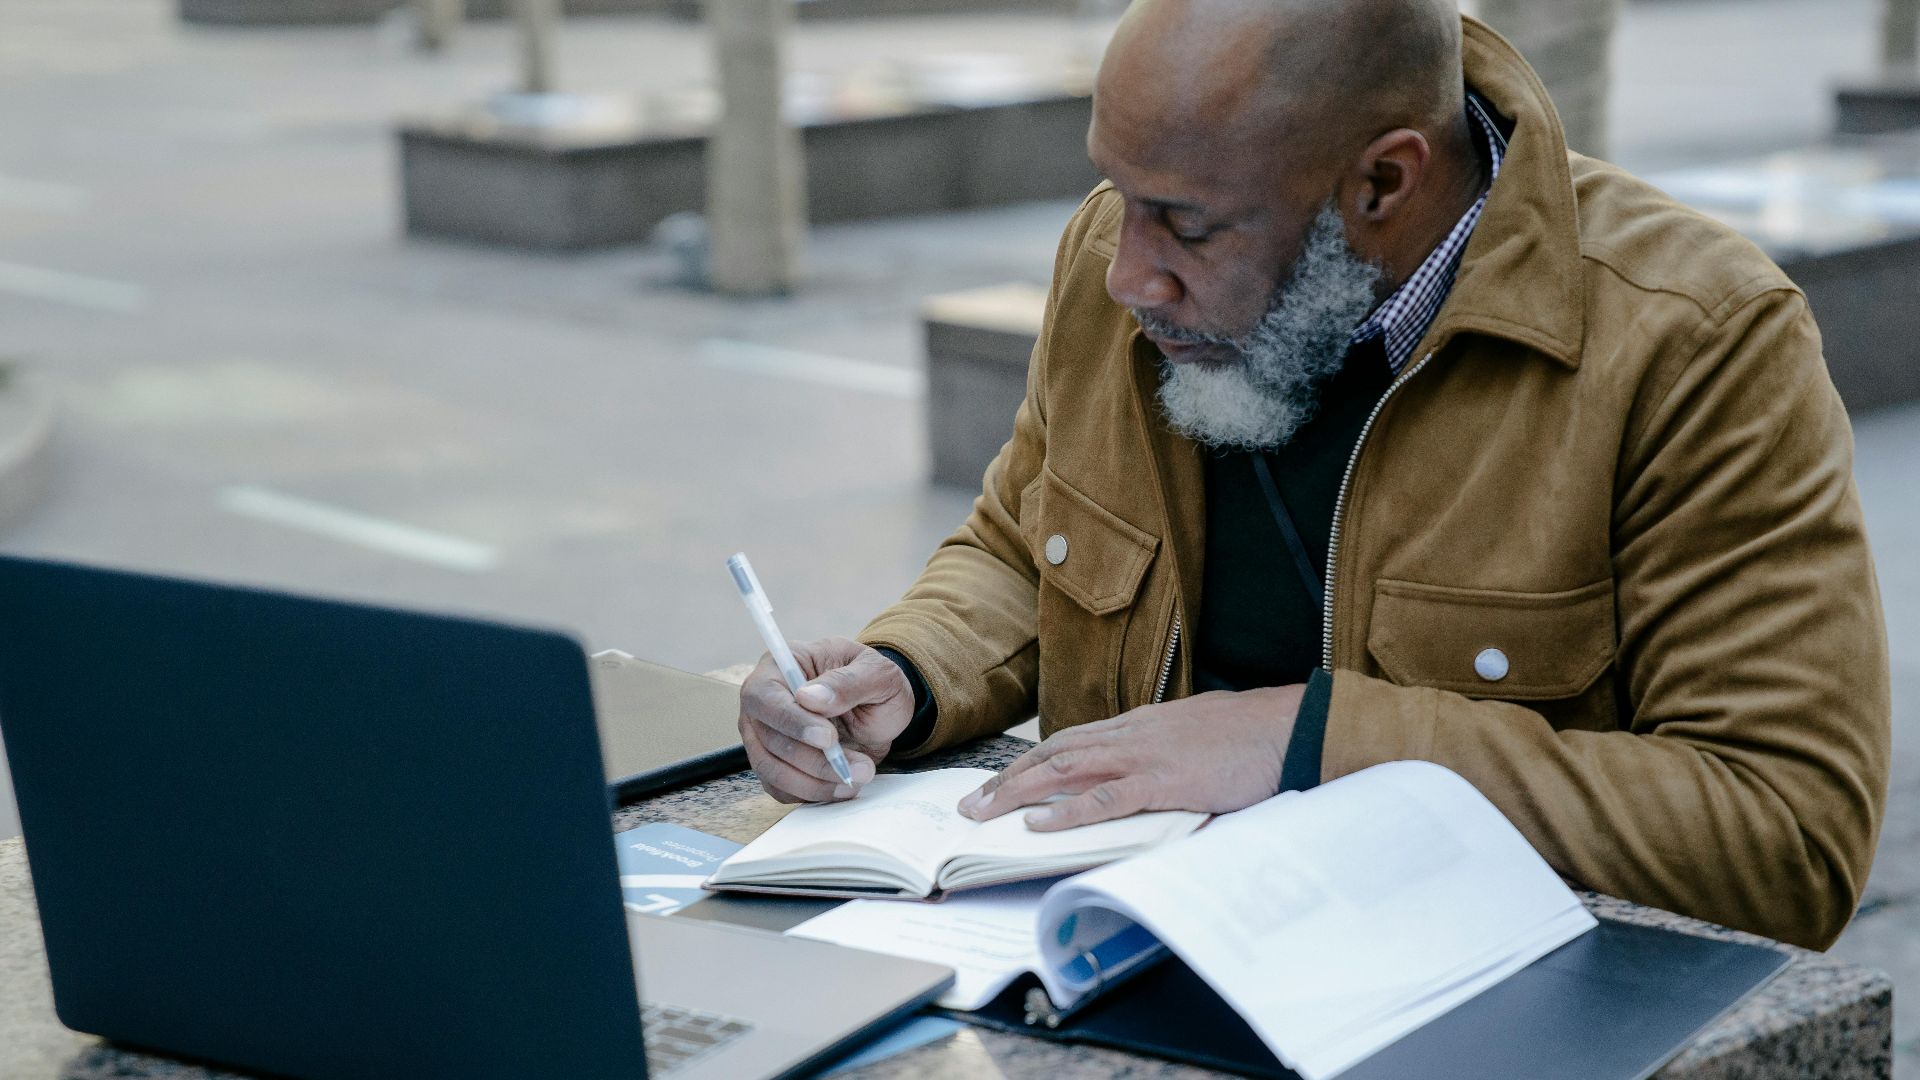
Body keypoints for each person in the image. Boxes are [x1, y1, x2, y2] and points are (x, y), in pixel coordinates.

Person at [736, 0, 1890, 951]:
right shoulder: (1119, 251)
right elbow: (1022, 542)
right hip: (1105, 940)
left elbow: (1785, 833)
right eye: (1117, 195)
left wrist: (1319, 743)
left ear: (1382, 184)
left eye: (1186, 226)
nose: (1127, 274)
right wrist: (903, 671)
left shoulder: (1692, 336)